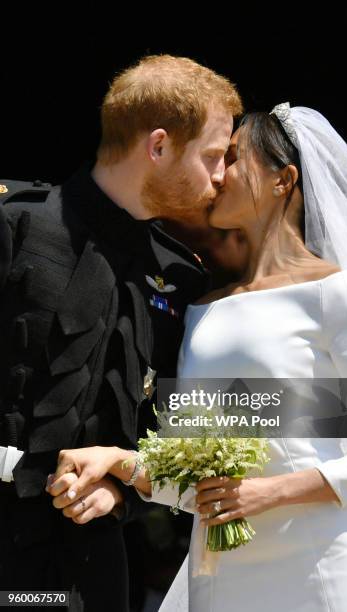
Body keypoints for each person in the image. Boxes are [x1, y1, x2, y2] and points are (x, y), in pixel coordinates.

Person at [48, 104, 347, 611]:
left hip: (327, 566)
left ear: (283, 180)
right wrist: (119, 463)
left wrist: (271, 492)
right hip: (222, 576)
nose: (216, 175)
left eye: (233, 159)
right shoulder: (200, 308)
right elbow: (196, 476)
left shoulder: (338, 293)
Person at [0, 54, 242, 611]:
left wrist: (122, 492)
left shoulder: (183, 277)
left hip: (90, 564)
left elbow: (176, 429)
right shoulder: (17, 223)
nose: (221, 176)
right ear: (157, 147)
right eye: (211, 156)